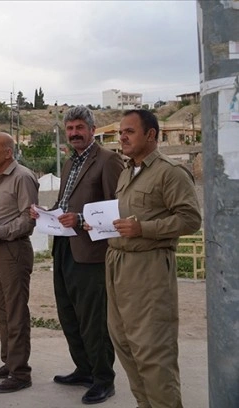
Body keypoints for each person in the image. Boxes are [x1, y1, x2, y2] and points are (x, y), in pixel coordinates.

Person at [97, 109, 201, 408]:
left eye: (129, 131)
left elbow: (190, 219)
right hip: (117, 266)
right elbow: (125, 215)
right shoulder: (128, 171)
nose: (122, 137)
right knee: (126, 347)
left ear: (151, 135)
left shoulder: (170, 171)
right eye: (121, 132)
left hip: (149, 268)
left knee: (153, 353)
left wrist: (144, 228)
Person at [29, 106, 123, 404]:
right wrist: (47, 214)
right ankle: (84, 369)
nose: (74, 134)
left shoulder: (108, 161)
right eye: (70, 129)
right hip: (64, 248)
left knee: (93, 319)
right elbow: (65, 203)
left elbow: (118, 210)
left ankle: (103, 379)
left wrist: (81, 221)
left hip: (92, 254)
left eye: (79, 127)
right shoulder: (70, 162)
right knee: (69, 314)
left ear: (92, 129)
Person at [0, 133, 38, 393]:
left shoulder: (22, 177)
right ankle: (9, 362)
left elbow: (29, 219)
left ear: (8, 152)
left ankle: (21, 372)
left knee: (15, 312)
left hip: (14, 250)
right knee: (3, 310)